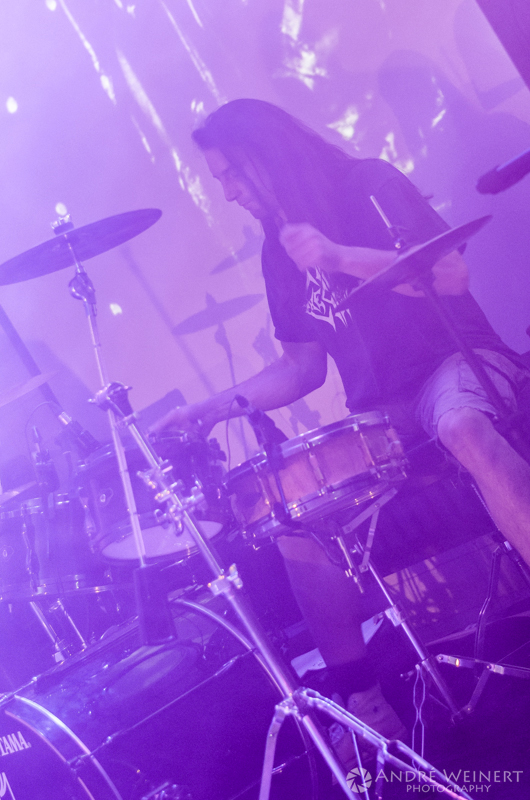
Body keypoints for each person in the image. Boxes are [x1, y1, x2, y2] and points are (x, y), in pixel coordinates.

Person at [151, 99, 530, 745]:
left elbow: (449, 274)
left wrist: (337, 255)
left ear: (267, 155)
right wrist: (210, 410)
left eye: (232, 174)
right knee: (296, 518)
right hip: (383, 412)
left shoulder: (369, 184)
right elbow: (301, 368)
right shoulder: (277, 249)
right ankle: (365, 703)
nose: (230, 193)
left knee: (462, 427)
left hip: (457, 363)